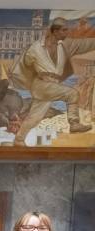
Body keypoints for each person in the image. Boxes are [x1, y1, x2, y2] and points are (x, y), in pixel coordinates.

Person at [9, 18, 95, 146]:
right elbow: (24, 66)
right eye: (64, 30)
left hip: (52, 86)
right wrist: (34, 77)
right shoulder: (35, 48)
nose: (67, 33)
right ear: (55, 31)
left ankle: (19, 140)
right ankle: (74, 123)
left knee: (34, 118)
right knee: (72, 94)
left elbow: (84, 44)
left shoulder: (64, 46)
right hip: (41, 85)